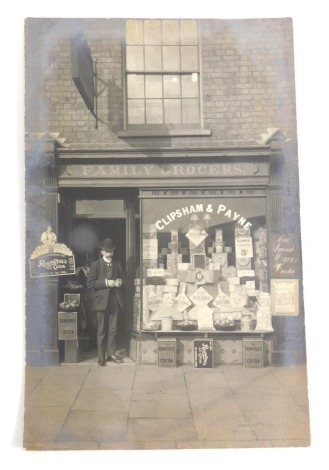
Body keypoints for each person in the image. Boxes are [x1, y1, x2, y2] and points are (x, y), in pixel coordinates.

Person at [86, 238, 126, 366]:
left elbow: (124, 279)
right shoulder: (96, 265)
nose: (110, 254)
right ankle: (101, 356)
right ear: (102, 252)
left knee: (113, 329)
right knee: (101, 330)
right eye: (107, 252)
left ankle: (111, 354)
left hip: (115, 300)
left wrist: (120, 282)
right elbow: (90, 284)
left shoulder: (118, 264)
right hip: (101, 302)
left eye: (112, 251)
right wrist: (106, 283)